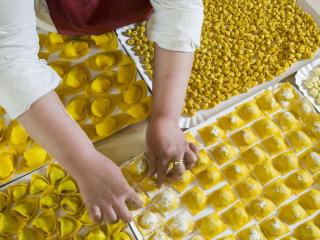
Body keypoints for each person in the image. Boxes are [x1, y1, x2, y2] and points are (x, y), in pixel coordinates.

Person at [0, 0, 203, 223]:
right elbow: (11, 65)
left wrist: (166, 118)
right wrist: (84, 162)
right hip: (45, 17)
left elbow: (180, 7)